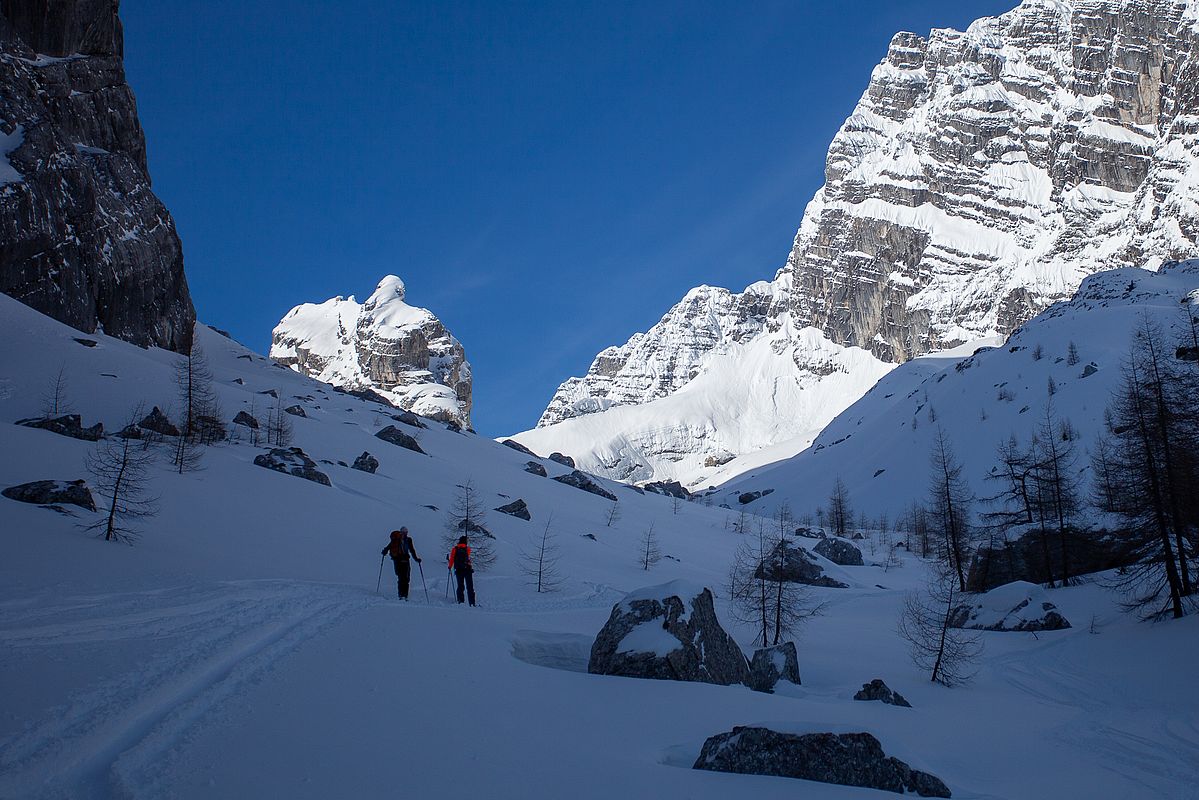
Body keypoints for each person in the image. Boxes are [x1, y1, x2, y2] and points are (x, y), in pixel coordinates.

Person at [381, 527, 421, 600]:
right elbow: (412, 550)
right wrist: (416, 559)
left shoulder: (408, 540)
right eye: (404, 532)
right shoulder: (398, 539)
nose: (405, 533)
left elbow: (412, 549)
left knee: (404, 578)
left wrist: (385, 551)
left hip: (400, 560)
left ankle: (403, 595)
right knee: (403, 578)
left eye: (406, 532)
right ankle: (403, 595)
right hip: (401, 560)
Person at [448, 535, 476, 606]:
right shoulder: (467, 549)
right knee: (470, 587)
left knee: (460, 586)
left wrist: (450, 566)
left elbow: (452, 559)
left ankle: (460, 601)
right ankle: (472, 603)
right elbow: (468, 557)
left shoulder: (455, 549)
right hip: (467, 569)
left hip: (458, 570)